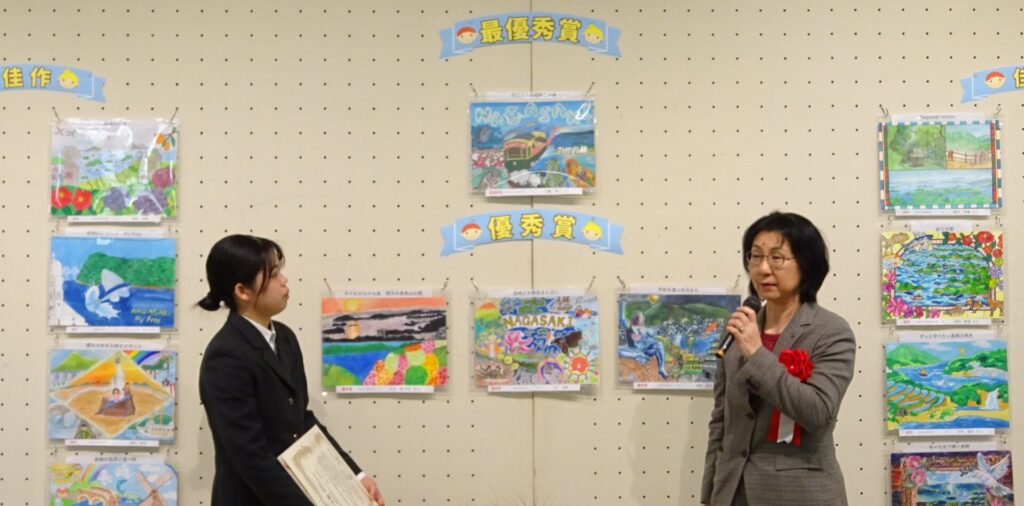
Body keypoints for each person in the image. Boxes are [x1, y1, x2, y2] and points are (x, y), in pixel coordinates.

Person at [198, 234, 385, 505]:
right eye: (273, 274)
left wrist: (354, 476)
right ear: (243, 291)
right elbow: (251, 458)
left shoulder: (284, 338)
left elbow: (302, 420)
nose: (284, 281)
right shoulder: (226, 356)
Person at [701, 212, 855, 505]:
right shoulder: (739, 328)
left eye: (777, 258)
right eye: (755, 256)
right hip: (733, 494)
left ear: (806, 264)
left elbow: (818, 413)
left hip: (801, 495)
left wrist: (757, 353)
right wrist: (709, 493)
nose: (763, 269)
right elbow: (721, 419)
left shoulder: (831, 332)